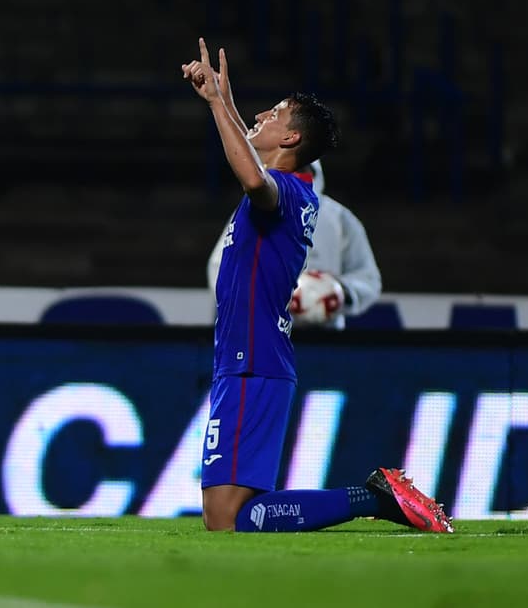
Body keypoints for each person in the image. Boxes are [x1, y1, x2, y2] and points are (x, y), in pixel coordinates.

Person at [182, 37, 451, 533]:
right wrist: (224, 103)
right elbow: (252, 158)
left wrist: (220, 104)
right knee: (237, 518)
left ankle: (372, 498)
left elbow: (252, 178)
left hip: (251, 362)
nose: (263, 113)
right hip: (252, 361)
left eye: (277, 113)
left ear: (290, 141)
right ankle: (374, 497)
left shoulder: (279, 191)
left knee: (225, 519)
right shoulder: (298, 191)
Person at [207, 159, 382, 330]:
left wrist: (341, 292)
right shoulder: (250, 214)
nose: (295, 176)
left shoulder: (341, 219)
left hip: (328, 340)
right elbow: (220, 270)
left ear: (315, 173)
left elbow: (368, 279)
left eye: (302, 168)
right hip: (266, 335)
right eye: (287, 169)